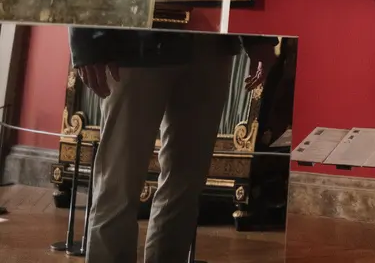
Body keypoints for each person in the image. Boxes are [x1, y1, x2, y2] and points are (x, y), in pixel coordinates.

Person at [69, 28, 278, 263]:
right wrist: (86, 42)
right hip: (133, 37)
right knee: (118, 182)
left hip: (211, 41)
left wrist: (259, 38)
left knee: (186, 185)